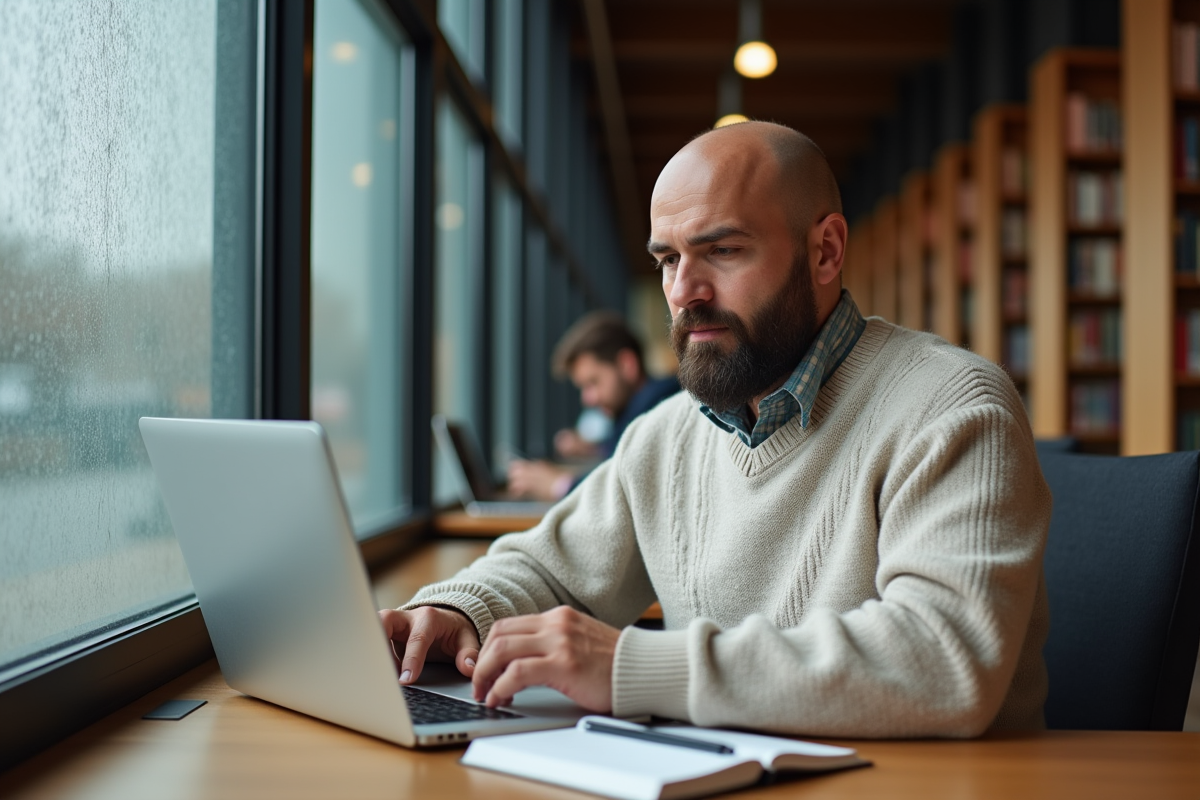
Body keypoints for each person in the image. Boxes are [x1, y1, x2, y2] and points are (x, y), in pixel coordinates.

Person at [378, 121, 1051, 739]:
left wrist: (632, 667)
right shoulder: (668, 434)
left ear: (825, 251)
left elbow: (946, 659)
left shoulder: (952, 405)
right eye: (668, 259)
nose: (684, 290)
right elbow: (552, 570)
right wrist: (458, 612)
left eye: (722, 250)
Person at [506, 312, 680, 501]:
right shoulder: (637, 409)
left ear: (626, 365)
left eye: (593, 383)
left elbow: (621, 489)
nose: (588, 399)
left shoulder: (657, 408)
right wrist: (592, 449)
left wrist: (558, 485)